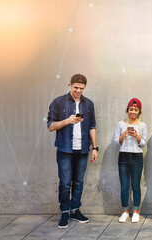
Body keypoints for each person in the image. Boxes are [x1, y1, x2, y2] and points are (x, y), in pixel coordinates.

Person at [47, 74, 98, 229]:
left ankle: (74, 210)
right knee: (65, 183)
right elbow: (50, 126)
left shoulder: (88, 104)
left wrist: (95, 147)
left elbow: (92, 126)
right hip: (65, 149)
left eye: (81, 89)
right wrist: (67, 121)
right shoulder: (58, 102)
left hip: (82, 149)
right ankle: (64, 211)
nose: (78, 91)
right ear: (69, 85)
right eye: (75, 87)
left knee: (79, 182)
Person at [113, 98, 147, 223]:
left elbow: (143, 144)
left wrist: (137, 136)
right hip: (123, 157)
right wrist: (123, 135)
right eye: (131, 109)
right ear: (128, 110)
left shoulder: (142, 125)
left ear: (139, 111)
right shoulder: (121, 124)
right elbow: (116, 142)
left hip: (137, 157)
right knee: (124, 186)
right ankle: (125, 211)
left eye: (136, 110)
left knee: (136, 185)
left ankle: (136, 211)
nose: (133, 112)